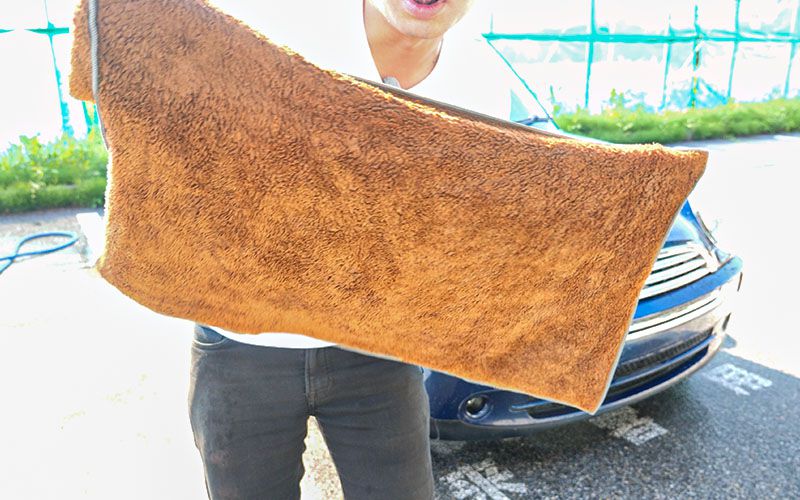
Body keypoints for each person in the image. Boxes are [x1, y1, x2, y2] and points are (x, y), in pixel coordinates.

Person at [188, 0, 535, 498]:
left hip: (378, 352)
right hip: (241, 344)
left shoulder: (482, 84)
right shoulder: (272, 31)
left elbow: (466, 235)